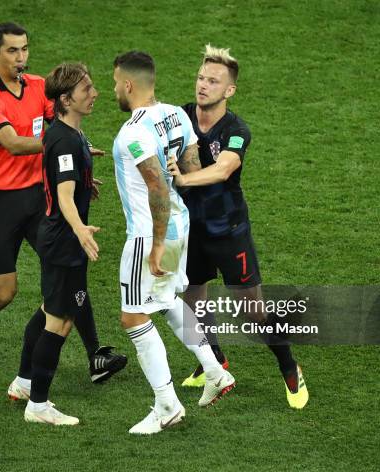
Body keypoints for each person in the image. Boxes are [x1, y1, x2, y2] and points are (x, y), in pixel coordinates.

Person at [0, 22, 126, 387]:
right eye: (11, 51)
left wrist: (77, 168)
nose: (20, 57)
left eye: (24, 49)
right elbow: (15, 143)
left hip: (38, 196)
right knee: (5, 291)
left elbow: (66, 125)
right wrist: (65, 149)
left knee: (71, 274)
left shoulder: (39, 87)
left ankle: (95, 355)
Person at [167, 44, 308, 409]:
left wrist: (183, 180)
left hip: (228, 232)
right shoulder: (180, 116)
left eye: (213, 81)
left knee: (252, 313)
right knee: (194, 301)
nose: (203, 86)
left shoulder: (236, 130)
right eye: (201, 77)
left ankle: (290, 367)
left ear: (229, 90)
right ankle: (214, 362)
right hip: (191, 230)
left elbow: (225, 168)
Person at [112, 51, 236, 435]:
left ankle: (166, 404)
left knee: (134, 316)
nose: (114, 89)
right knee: (166, 303)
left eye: (116, 82)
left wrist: (155, 246)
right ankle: (215, 371)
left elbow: (156, 190)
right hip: (180, 225)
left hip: (152, 232)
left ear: (128, 84)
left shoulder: (132, 133)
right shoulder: (177, 114)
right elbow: (193, 169)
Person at [18, 62, 101, 425]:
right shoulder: (65, 139)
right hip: (63, 241)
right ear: (65, 99)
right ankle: (38, 405)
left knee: (50, 310)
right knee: (60, 321)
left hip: (60, 239)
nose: (94, 93)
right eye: (86, 90)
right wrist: (81, 230)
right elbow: (64, 196)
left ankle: (23, 382)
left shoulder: (69, 132)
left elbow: (66, 178)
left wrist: (87, 179)